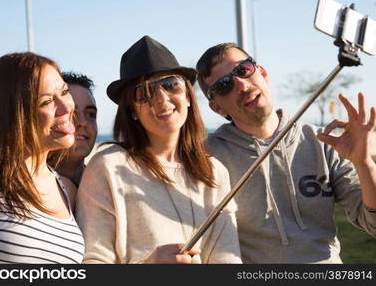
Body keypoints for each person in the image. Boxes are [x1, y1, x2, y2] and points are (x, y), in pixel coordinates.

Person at [195, 42, 376, 263]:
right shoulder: (206, 158)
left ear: (262, 72)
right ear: (217, 108)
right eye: (224, 85)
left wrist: (365, 163)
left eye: (243, 70)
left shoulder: (323, 142)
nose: (241, 85)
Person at [75, 35, 242, 264]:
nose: (162, 99)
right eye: (144, 92)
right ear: (132, 110)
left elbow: (227, 260)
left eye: (171, 84)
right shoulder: (108, 167)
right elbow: (93, 261)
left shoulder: (214, 172)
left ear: (188, 96)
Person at [0, 52, 84, 264]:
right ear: (12, 114)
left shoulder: (66, 189)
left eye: (64, 92)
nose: (66, 107)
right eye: (46, 102)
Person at [49, 72, 98, 187]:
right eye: (71, 113)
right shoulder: (27, 188)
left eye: (91, 114)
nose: (82, 122)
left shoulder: (104, 185)